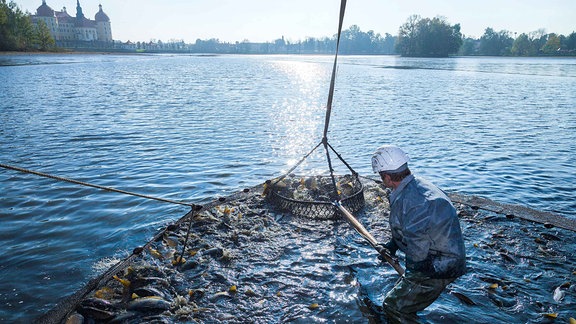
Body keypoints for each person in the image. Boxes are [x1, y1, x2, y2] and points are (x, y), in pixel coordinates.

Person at [371, 144, 466, 323]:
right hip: (447, 254)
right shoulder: (417, 186)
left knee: (393, 307)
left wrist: (414, 275)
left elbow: (419, 248)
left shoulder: (412, 202)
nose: (382, 180)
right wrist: (393, 245)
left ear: (388, 177)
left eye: (381, 176)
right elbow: (411, 230)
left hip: (440, 264)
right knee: (404, 297)